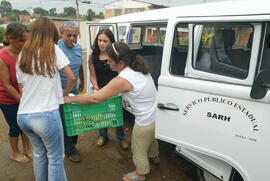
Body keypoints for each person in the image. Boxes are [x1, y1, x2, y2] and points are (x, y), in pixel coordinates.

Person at [65, 42, 160, 181]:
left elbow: (95, 99)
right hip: (156, 116)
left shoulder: (123, 78)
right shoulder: (138, 67)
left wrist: (70, 99)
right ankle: (155, 156)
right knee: (150, 139)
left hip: (145, 121)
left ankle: (141, 173)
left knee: (138, 147)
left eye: (109, 61)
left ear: (120, 62)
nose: (107, 63)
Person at [16, 17, 75, 181]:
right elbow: (71, 77)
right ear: (51, 33)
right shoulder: (53, 49)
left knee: (39, 154)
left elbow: (22, 89)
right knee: (56, 159)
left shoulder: (22, 54)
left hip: (24, 115)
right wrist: (65, 92)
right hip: (46, 114)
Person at [89, 29, 128, 149]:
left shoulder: (115, 56)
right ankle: (102, 136)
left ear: (111, 42)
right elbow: (93, 75)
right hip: (100, 88)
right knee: (101, 113)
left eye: (105, 41)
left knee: (117, 113)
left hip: (115, 89)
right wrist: (96, 88)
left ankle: (121, 137)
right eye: (100, 40)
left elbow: (121, 73)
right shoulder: (93, 56)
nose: (101, 43)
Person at [0, 23, 32, 163]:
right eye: (21, 41)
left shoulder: (24, 52)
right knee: (15, 126)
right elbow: (7, 85)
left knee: (25, 124)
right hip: (8, 99)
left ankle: (27, 148)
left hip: (24, 95)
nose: (24, 43)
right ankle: (15, 152)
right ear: (10, 38)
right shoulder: (2, 57)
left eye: (26, 40)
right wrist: (23, 100)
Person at [58, 21, 84, 162]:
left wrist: (82, 80)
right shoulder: (55, 49)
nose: (72, 39)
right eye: (69, 35)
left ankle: (71, 144)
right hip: (60, 94)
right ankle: (70, 150)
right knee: (65, 122)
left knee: (76, 120)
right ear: (61, 33)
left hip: (74, 92)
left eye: (75, 35)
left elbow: (79, 66)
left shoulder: (78, 48)